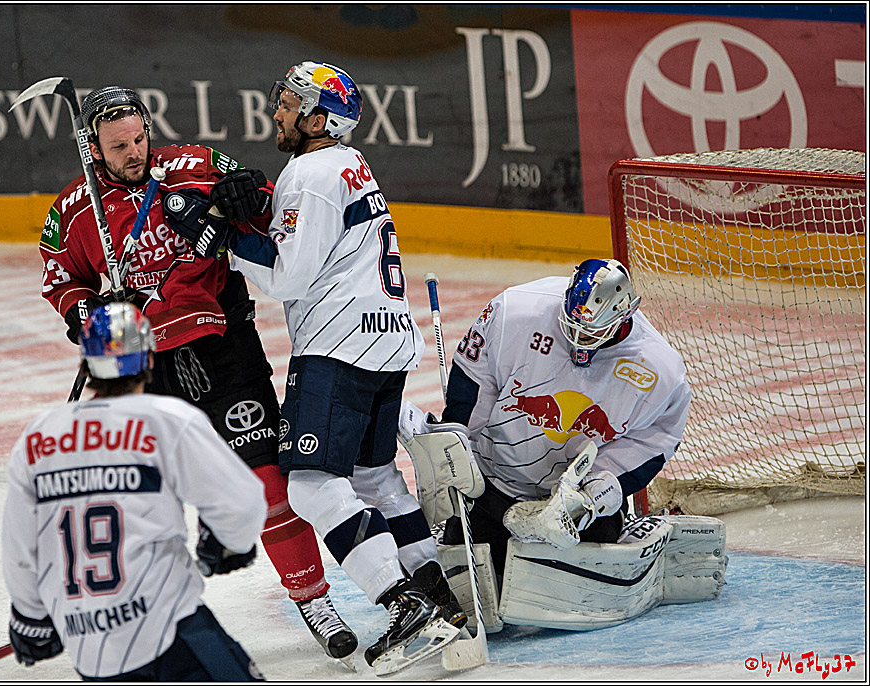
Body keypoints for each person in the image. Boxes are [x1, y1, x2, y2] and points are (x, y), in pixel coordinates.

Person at [37, 85, 357, 664]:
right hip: (141, 368)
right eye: (119, 146)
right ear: (92, 148)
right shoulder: (71, 211)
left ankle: (314, 598)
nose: (135, 152)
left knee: (267, 484)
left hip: (223, 348)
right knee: (137, 500)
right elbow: (61, 282)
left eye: (139, 138)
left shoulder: (195, 165)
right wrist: (96, 316)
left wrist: (247, 194)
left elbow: (267, 203)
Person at [165, 61, 463, 675]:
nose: (277, 113)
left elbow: (289, 276)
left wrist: (225, 242)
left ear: (319, 118)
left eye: (289, 105)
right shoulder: (350, 165)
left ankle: (399, 602)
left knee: (308, 485)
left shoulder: (310, 171)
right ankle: (439, 593)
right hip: (387, 339)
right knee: (375, 478)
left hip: (338, 346)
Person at [2, 302, 265, 681]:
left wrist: (31, 617)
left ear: (86, 364)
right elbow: (241, 504)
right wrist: (223, 543)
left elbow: (20, 547)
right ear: (149, 359)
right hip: (168, 630)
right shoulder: (167, 419)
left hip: (89, 652)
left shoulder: (37, 436)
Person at [431, 258, 693, 589]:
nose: (578, 339)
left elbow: (657, 439)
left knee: (591, 580)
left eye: (592, 331)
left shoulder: (662, 370)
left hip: (574, 502)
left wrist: (602, 488)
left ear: (625, 315)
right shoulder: (516, 310)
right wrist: (455, 447)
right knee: (463, 585)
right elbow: (473, 380)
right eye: (571, 325)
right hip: (495, 486)